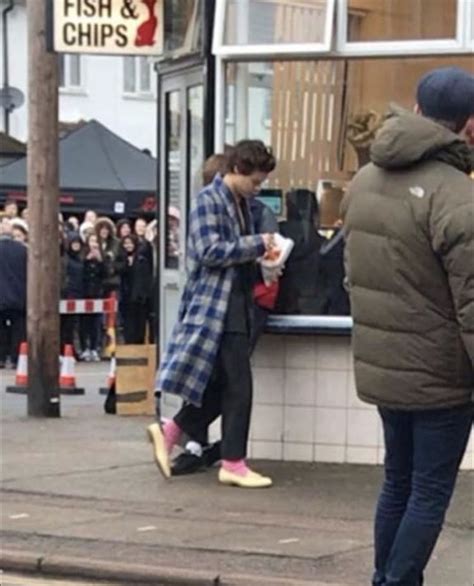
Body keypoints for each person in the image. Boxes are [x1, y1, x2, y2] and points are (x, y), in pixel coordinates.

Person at [341, 66, 474, 586]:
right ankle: (395, 582)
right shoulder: (457, 196)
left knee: (397, 481)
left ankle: (386, 576)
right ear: (469, 127)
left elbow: (352, 273)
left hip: (383, 368)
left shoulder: (365, 179)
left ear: (416, 111)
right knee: (428, 491)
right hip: (441, 377)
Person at [148, 140, 277, 488]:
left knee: (222, 385)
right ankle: (232, 462)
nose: (258, 187)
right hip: (217, 308)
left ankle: (171, 430)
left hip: (233, 305)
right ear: (236, 170)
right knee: (239, 387)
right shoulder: (209, 200)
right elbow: (207, 251)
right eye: (255, 180)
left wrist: (265, 262)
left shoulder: (239, 203)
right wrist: (257, 245)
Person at [0, 225, 27, 369]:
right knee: (18, 329)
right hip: (19, 296)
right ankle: (17, 358)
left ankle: (1, 357)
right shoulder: (23, 250)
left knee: (1, 329)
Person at [120, 235, 153, 344]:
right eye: (126, 243)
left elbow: (145, 278)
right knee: (128, 323)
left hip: (138, 297)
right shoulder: (120, 258)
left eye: (130, 243)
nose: (128, 246)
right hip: (125, 296)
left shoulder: (141, 259)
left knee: (139, 323)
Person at [80, 234, 105, 362]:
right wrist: (87, 260)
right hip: (84, 292)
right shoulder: (82, 256)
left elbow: (105, 274)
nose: (94, 244)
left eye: (96, 241)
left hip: (97, 292)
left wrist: (100, 261)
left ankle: (95, 348)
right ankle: (85, 348)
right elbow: (80, 273)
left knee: (96, 322)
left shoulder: (102, 256)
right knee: (84, 322)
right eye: (91, 241)